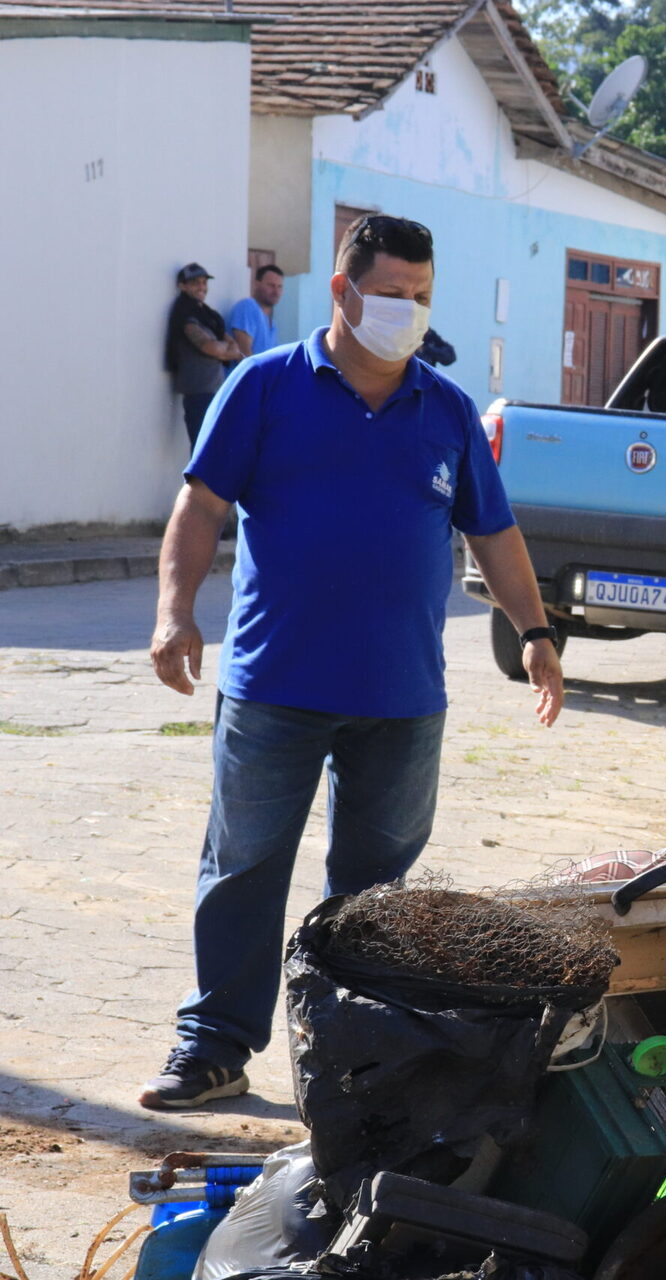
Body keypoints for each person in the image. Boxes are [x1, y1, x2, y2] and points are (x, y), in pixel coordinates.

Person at [140, 214, 566, 1110]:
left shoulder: (445, 409)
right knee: (244, 867)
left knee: (376, 895)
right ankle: (213, 1045)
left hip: (402, 697)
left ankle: (355, 1058)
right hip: (274, 687)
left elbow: (494, 532)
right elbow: (201, 508)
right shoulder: (262, 388)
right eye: (391, 295)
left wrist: (534, 633)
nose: (407, 312)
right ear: (341, 292)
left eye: (420, 297)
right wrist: (175, 613)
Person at [166, 264, 249, 445]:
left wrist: (224, 350)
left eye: (204, 282)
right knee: (202, 449)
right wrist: (225, 350)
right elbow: (209, 347)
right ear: (182, 286)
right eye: (195, 282)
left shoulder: (207, 315)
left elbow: (232, 346)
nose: (202, 287)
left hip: (214, 391)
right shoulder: (185, 314)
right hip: (199, 394)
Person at [225, 264, 283, 358]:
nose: (276, 292)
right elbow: (243, 354)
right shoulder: (247, 307)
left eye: (279, 286)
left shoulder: (271, 324)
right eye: (271, 285)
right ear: (256, 284)